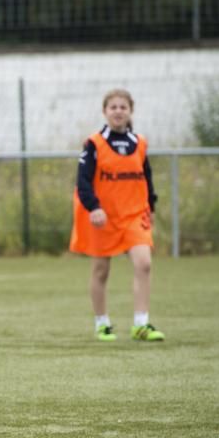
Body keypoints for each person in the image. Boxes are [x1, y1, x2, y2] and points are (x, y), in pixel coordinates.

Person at [70, 88, 164, 342]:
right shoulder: (94, 144)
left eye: (123, 107)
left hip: (134, 215)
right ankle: (102, 323)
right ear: (105, 111)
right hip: (104, 217)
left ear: (130, 111)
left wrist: (151, 206)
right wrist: (94, 207)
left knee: (144, 263)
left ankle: (141, 324)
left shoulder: (139, 143)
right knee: (101, 270)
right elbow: (83, 181)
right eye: (113, 107)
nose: (118, 111)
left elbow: (147, 178)